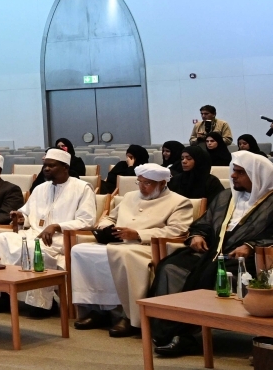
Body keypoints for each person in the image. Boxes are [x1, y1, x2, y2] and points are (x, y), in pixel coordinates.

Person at [147, 150, 273, 356]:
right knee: (169, 267)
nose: (233, 176)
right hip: (212, 250)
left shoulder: (271, 201)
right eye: (233, 170)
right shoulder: (226, 196)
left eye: (240, 172)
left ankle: (184, 335)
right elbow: (205, 222)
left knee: (211, 271)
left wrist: (251, 246)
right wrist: (197, 235)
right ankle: (167, 328)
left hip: (249, 259)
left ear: (256, 175)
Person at [69, 164, 192, 336]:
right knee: (80, 251)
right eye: (139, 182)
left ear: (162, 183)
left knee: (123, 254)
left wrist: (138, 234)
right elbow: (110, 218)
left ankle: (128, 315)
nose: (141, 187)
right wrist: (106, 228)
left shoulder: (180, 202)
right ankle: (98, 308)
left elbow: (176, 231)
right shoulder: (129, 196)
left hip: (147, 247)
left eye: (147, 183)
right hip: (119, 242)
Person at [0, 148, 97, 315]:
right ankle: (5, 295)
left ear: (65, 167)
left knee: (34, 248)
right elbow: (27, 212)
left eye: (52, 166)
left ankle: (42, 303)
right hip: (34, 233)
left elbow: (87, 221)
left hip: (60, 237)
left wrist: (57, 226)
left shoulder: (82, 188)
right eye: (45, 165)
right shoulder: (40, 188)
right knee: (1, 240)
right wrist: (20, 216)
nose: (46, 169)